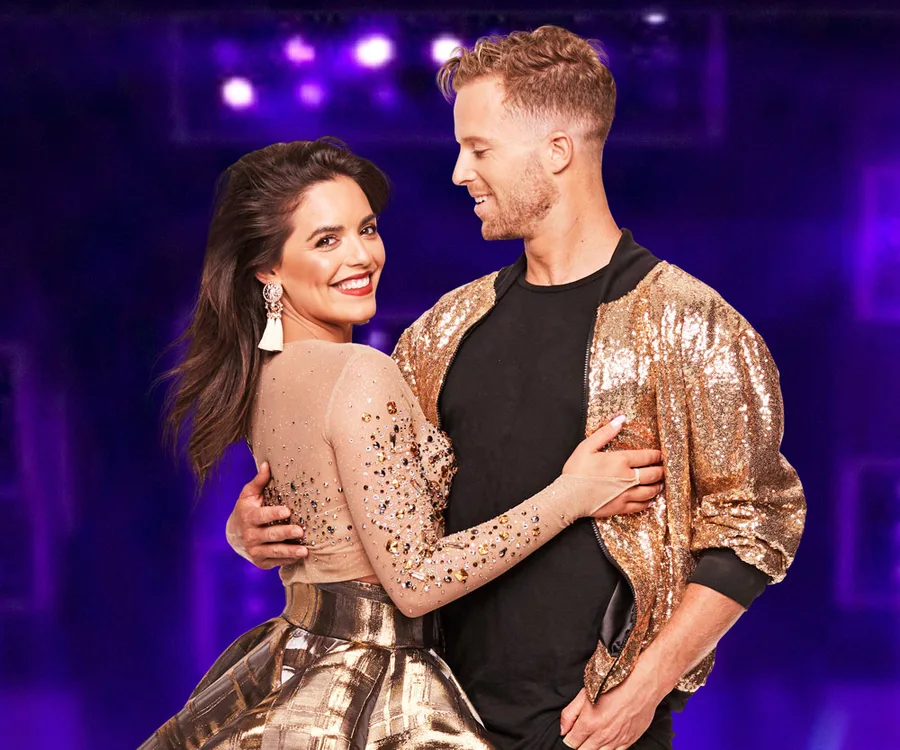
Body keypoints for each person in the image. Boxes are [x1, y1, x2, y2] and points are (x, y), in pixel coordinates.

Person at [227, 27, 807, 750]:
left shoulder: (693, 327)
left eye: (479, 148)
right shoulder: (441, 330)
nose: (459, 172)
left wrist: (643, 691)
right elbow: (382, 517)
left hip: (594, 731)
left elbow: (753, 527)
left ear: (557, 151)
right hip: (431, 725)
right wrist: (255, 531)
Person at [140, 138, 666, 749]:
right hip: (373, 687)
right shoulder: (359, 372)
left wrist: (242, 534)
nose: (362, 256)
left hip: (297, 658)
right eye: (326, 240)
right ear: (268, 269)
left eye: (367, 229)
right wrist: (572, 494)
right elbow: (415, 583)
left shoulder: (265, 377)